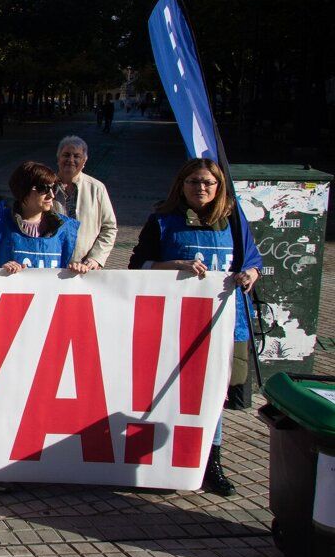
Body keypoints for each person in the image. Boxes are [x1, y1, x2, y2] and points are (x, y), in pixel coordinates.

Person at [127, 158, 262, 497]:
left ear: (219, 188)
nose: (200, 188)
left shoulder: (233, 221)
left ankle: (210, 462)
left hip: (227, 324)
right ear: (181, 184)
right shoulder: (162, 221)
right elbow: (137, 265)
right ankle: (160, 462)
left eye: (208, 183)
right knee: (169, 392)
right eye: (193, 182)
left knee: (216, 394)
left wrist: (250, 274)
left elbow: (253, 261)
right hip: (176, 324)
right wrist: (175, 266)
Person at [0, 161, 87, 274]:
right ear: (23, 190)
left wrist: (77, 267)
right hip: (11, 293)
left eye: (54, 188)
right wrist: (0, 271)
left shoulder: (65, 227)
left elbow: (70, 265)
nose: (51, 195)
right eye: (43, 188)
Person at [54, 136, 117, 271]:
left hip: (84, 268)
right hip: (51, 265)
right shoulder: (46, 186)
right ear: (58, 158)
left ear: (84, 160)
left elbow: (109, 228)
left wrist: (95, 258)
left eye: (76, 156)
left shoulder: (97, 188)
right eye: (66, 155)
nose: (71, 160)